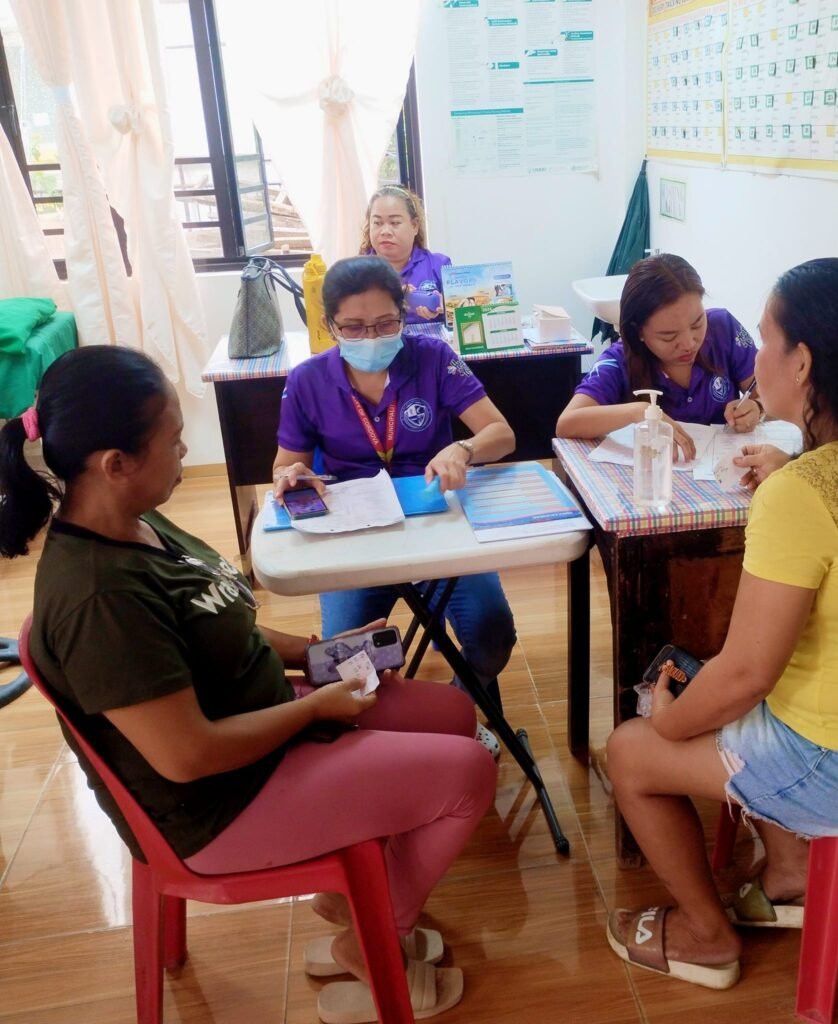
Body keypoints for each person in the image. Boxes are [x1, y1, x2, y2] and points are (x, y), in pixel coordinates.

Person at [0, 346, 496, 1019]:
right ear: (116, 464)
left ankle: (360, 899)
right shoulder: (99, 598)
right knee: (467, 774)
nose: (184, 452)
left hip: (262, 724)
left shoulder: (137, 519)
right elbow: (189, 755)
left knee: (452, 717)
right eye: (174, 441)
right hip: (220, 804)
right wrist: (316, 707)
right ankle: (372, 934)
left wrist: (317, 655)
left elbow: (220, 621)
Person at [602, 258, 838, 990]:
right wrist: (793, 459)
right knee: (712, 678)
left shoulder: (800, 495)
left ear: (802, 363)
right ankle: (790, 875)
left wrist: (668, 724)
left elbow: (746, 675)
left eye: (766, 338)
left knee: (631, 750)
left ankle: (707, 938)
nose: (754, 354)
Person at [273, 255, 517, 741]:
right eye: (354, 327)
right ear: (330, 325)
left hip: (436, 524)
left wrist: (463, 449)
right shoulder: (308, 380)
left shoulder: (433, 358)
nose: (371, 338)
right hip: (352, 533)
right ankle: (394, 734)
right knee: (348, 661)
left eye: (386, 324)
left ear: (403, 316)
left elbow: (501, 433)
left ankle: (458, 708)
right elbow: (285, 466)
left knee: (493, 635)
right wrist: (291, 474)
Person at [556, 253, 762, 460]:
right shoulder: (619, 360)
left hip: (723, 471)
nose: (689, 344)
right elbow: (567, 423)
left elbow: (763, 392)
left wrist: (757, 407)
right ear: (639, 332)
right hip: (653, 474)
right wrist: (639, 412)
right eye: (668, 336)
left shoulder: (723, 328)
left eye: (697, 324)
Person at [359, 184, 450, 325]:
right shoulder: (356, 272)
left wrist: (445, 307)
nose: (385, 231)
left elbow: (465, 317)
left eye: (395, 222)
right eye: (377, 223)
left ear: (414, 225)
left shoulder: (439, 266)